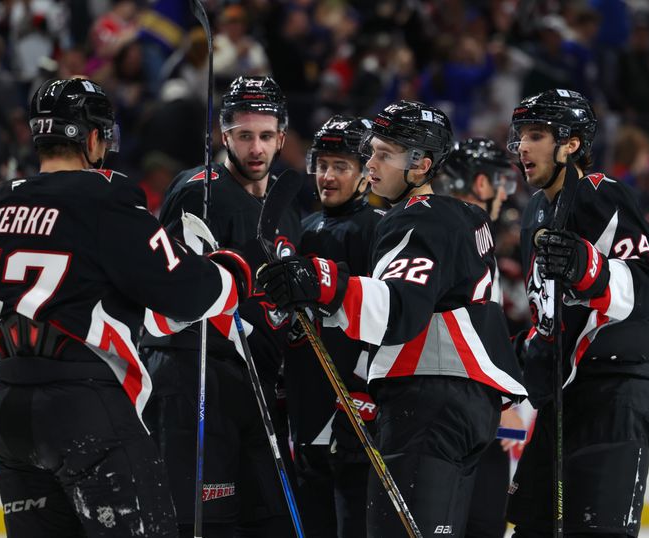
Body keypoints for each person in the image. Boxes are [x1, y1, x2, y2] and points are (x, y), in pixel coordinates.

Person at [0, 78, 252, 537]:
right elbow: (183, 291)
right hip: (85, 410)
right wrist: (232, 274)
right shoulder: (104, 197)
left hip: (8, 413)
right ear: (92, 137)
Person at [257, 100, 527, 537]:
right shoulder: (467, 217)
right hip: (467, 405)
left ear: (421, 165)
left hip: (430, 401)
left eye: (385, 154)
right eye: (372, 151)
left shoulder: (419, 219)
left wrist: (323, 281)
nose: (372, 163)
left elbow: (398, 310)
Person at [504, 88, 649, 537]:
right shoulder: (536, 211)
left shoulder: (602, 193)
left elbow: (645, 285)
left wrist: (586, 265)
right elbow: (549, 317)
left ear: (571, 143)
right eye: (521, 135)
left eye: (536, 134)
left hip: (621, 382)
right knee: (532, 527)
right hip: (570, 392)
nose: (523, 146)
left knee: (598, 531)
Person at [139, 75, 301, 538]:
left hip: (257, 387)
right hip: (195, 377)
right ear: (223, 135)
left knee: (272, 521)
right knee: (206, 525)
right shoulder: (198, 190)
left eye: (266, 136)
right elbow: (170, 296)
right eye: (244, 135)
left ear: (282, 137)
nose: (256, 148)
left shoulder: (286, 201)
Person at [285, 115, 383, 537]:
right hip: (307, 399)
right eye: (322, 164)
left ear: (366, 173)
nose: (327, 176)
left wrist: (364, 391)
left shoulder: (378, 229)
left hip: (351, 402)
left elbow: (385, 317)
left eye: (341, 166)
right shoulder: (303, 228)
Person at [440, 137, 525, 538]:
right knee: (478, 523)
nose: (505, 192)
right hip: (462, 405)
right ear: (479, 183)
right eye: (500, 181)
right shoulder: (461, 230)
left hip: (465, 401)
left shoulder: (463, 230)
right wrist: (501, 398)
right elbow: (470, 323)